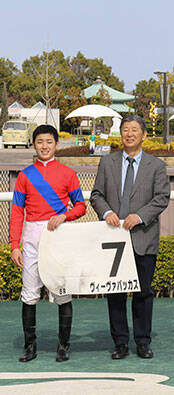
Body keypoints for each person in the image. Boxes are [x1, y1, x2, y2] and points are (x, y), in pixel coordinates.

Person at [90, 114, 170, 360]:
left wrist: (141, 216)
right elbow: (96, 195)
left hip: (143, 236)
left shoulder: (156, 166)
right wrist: (107, 213)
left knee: (143, 292)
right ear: (121, 134)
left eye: (135, 129)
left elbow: (161, 197)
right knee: (115, 293)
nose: (130, 134)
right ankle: (120, 342)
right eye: (125, 129)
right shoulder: (107, 162)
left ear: (144, 135)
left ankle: (143, 341)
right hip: (113, 238)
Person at [10, 124, 86, 362]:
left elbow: (81, 206)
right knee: (29, 293)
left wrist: (64, 215)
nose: (44, 146)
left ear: (56, 144)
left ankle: (64, 345)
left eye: (49, 142)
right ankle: (30, 347)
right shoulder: (24, 176)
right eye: (40, 141)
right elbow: (16, 212)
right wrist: (14, 245)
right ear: (34, 144)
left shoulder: (68, 173)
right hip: (32, 238)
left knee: (62, 293)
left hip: (58, 236)